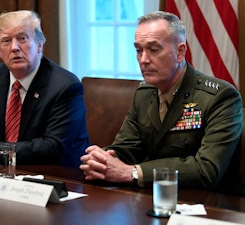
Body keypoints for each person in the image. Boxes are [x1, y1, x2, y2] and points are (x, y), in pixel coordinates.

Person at [80, 11, 243, 192]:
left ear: (180, 52)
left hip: (211, 204)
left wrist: (133, 173)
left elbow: (207, 169)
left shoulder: (220, 97)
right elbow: (128, 148)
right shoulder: (144, 94)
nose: (143, 60)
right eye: (139, 50)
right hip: (157, 197)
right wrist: (101, 160)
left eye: (153, 49)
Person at [0, 10, 89, 168]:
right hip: (0, 173)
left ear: (39, 45)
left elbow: (52, 148)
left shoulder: (65, 86)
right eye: (6, 41)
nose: (14, 47)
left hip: (55, 178)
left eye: (22, 38)